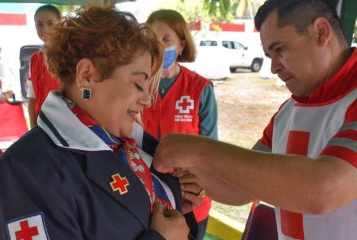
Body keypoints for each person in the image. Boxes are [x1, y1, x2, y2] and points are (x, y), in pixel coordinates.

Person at [0, 7, 194, 240]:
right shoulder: (24, 171)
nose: (146, 99)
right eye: (138, 84)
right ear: (86, 75)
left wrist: (178, 198)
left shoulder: (136, 146)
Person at [153, 0, 357, 239]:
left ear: (321, 32)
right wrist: (189, 177)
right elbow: (239, 189)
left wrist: (199, 151)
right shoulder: (288, 111)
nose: (273, 68)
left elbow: (323, 190)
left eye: (280, 49)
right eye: (269, 55)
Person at [142, 9, 218, 240]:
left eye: (167, 40)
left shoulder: (200, 88)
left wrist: (198, 185)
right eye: (153, 40)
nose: (159, 47)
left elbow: (212, 149)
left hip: (191, 197)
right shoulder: (137, 84)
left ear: (181, 45)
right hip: (146, 194)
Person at [27, 4, 61, 128]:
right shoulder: (35, 58)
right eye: (39, 24)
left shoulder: (71, 54)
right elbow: (32, 97)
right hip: (42, 126)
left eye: (50, 23)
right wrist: (32, 128)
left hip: (65, 128)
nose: (44, 30)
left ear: (61, 24)